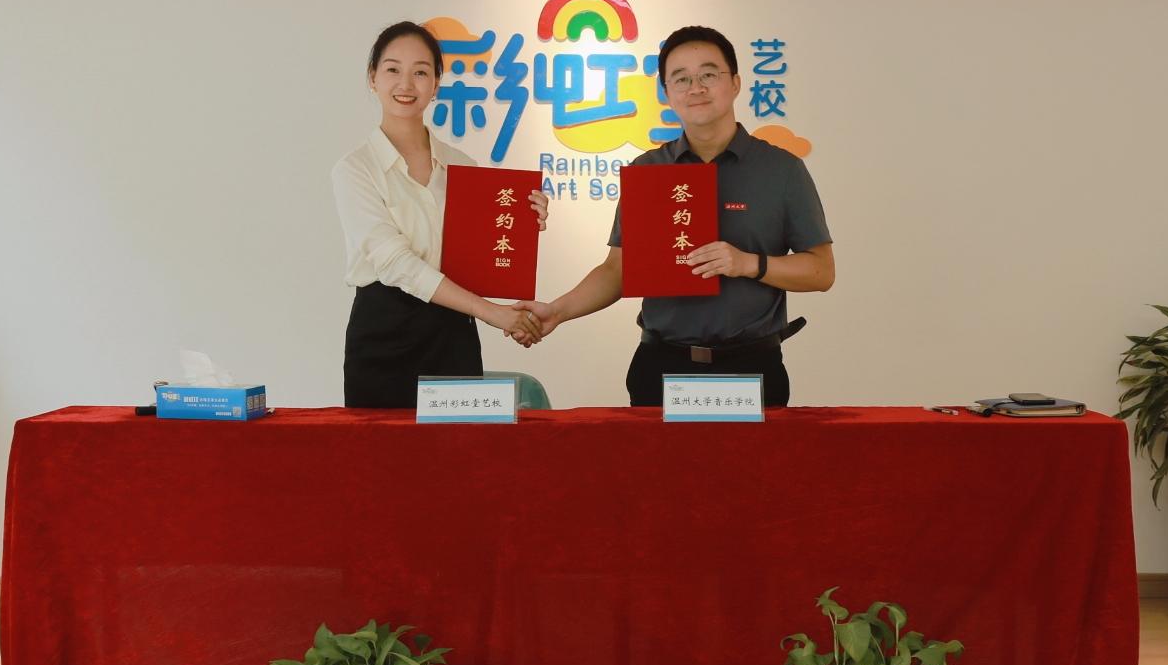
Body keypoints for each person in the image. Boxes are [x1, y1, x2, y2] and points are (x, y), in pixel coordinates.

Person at [520, 25, 833, 407]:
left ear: (735, 83)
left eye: (708, 74)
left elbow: (821, 271)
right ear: (667, 92)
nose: (695, 88)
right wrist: (557, 311)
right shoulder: (648, 171)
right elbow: (618, 270)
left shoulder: (781, 170)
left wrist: (748, 263)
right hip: (661, 366)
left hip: (753, 368)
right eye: (681, 79)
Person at [332, 20, 549, 409]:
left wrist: (524, 219)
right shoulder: (355, 169)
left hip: (453, 334)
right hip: (383, 337)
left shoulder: (464, 168)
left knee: (459, 447)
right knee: (382, 448)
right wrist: (492, 313)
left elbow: (480, 258)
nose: (406, 84)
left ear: (436, 84)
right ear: (373, 78)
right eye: (393, 69)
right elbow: (394, 262)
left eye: (420, 72)